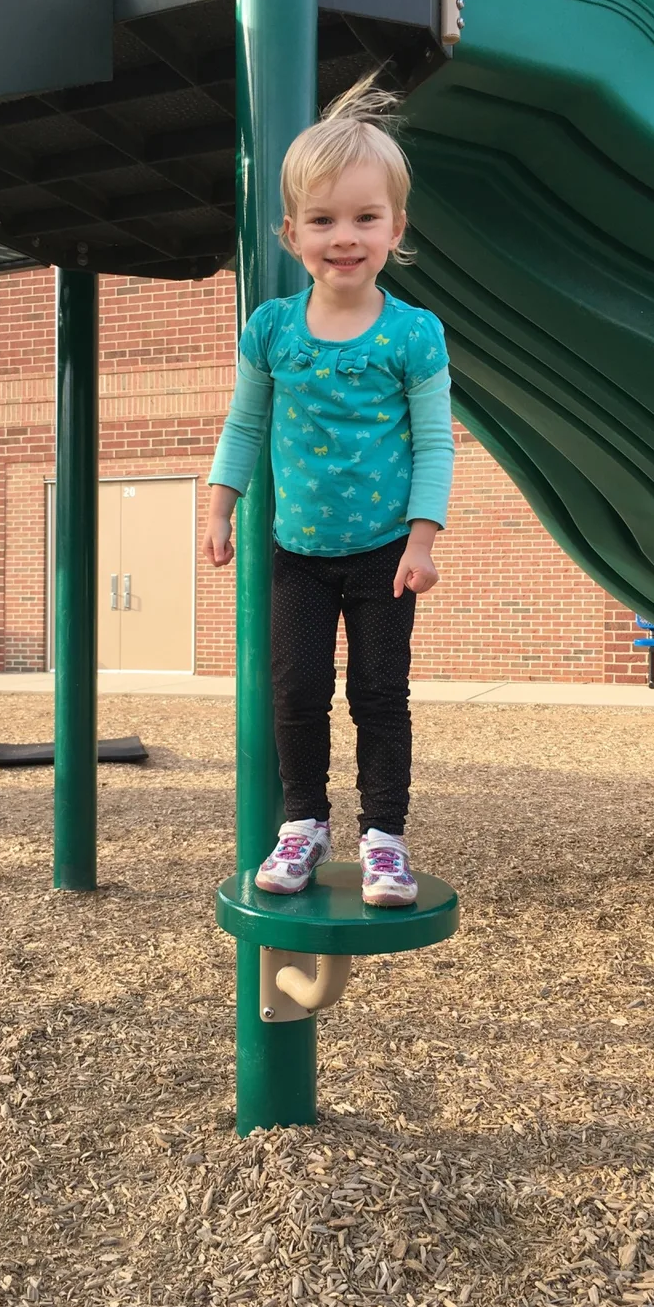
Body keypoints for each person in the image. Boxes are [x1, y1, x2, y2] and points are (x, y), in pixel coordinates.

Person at [204, 80, 454, 908]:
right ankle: (303, 824)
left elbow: (433, 443)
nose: (343, 237)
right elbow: (245, 426)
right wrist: (220, 504)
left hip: (385, 553)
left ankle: (384, 839)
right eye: (322, 221)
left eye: (363, 218)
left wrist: (422, 540)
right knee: (297, 690)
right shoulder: (272, 328)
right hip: (298, 556)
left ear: (396, 228)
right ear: (291, 232)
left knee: (379, 694)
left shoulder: (413, 334)